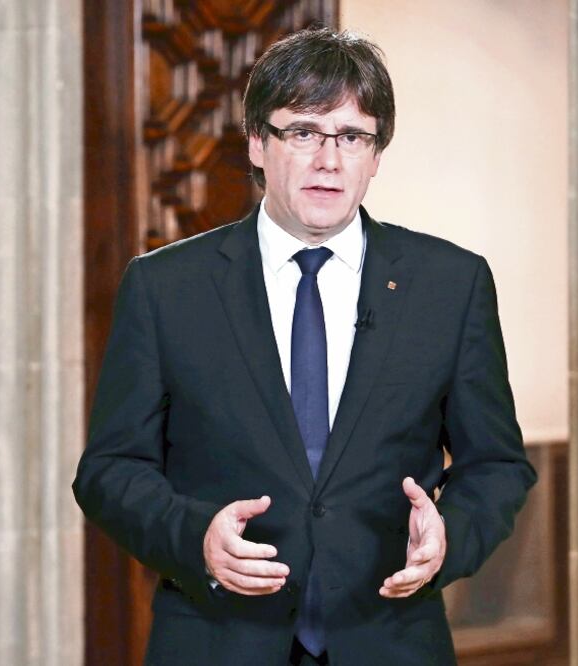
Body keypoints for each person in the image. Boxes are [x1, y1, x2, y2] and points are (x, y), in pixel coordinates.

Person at [73, 28, 537, 666]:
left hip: (390, 641)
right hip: (217, 642)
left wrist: (449, 537)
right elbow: (109, 470)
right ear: (257, 143)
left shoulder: (450, 285)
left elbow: (498, 466)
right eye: (303, 132)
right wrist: (194, 538)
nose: (329, 160)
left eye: (352, 136)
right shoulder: (166, 287)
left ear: (376, 154)